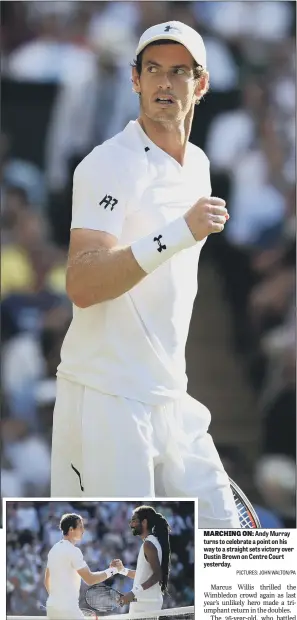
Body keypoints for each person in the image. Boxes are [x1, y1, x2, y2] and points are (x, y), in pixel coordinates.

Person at [51, 20, 240, 527]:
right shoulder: (106, 164)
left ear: (200, 85)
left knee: (246, 565)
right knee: (123, 595)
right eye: (153, 69)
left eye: (179, 72)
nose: (163, 83)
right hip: (108, 397)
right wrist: (179, 231)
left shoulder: (197, 164)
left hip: (171, 397)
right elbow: (83, 283)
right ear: (134, 80)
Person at [45, 513, 118, 619]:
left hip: (52, 608)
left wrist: (57, 600)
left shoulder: (53, 549)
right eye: (80, 527)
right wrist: (113, 570)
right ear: (71, 529)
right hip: (68, 610)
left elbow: (47, 580)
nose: (83, 530)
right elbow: (90, 579)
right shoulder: (74, 551)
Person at [112, 505, 171, 613]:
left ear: (144, 522)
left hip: (145, 606)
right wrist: (123, 570)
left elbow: (157, 575)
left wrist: (133, 592)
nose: (131, 524)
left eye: (134, 521)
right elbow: (144, 575)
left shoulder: (149, 544)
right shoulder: (150, 543)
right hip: (146, 604)